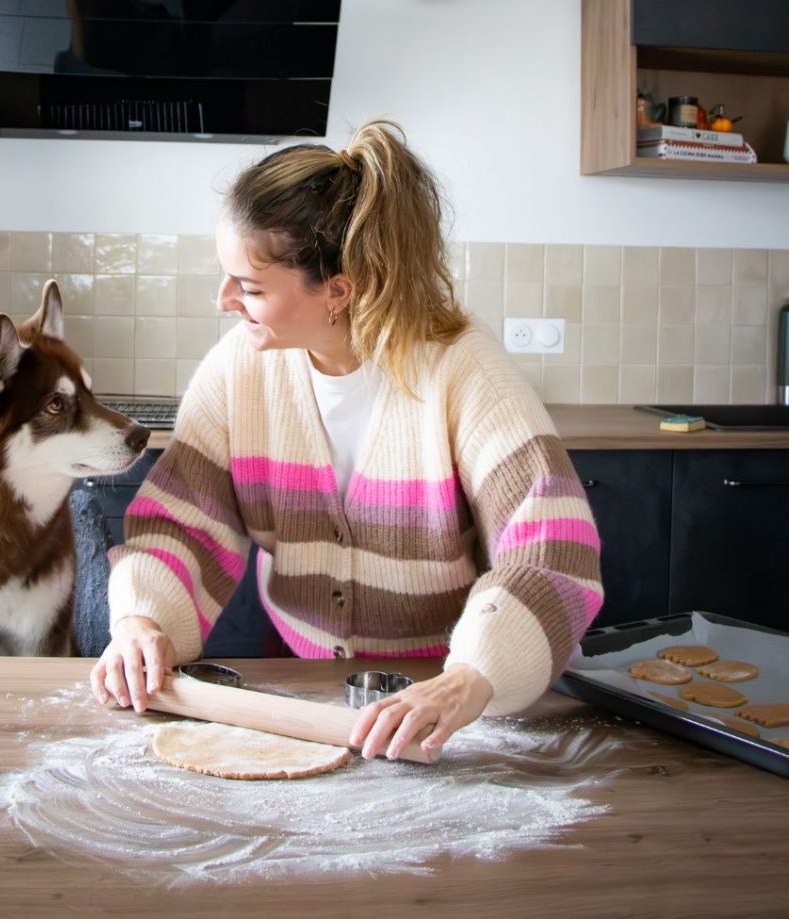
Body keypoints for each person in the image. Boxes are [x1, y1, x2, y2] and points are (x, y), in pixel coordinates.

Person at [90, 121, 602, 760]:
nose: (223, 301)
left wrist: (471, 678)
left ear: (338, 291)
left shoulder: (464, 372)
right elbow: (182, 524)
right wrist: (142, 619)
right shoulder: (236, 370)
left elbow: (552, 552)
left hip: (440, 703)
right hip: (299, 688)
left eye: (250, 287)